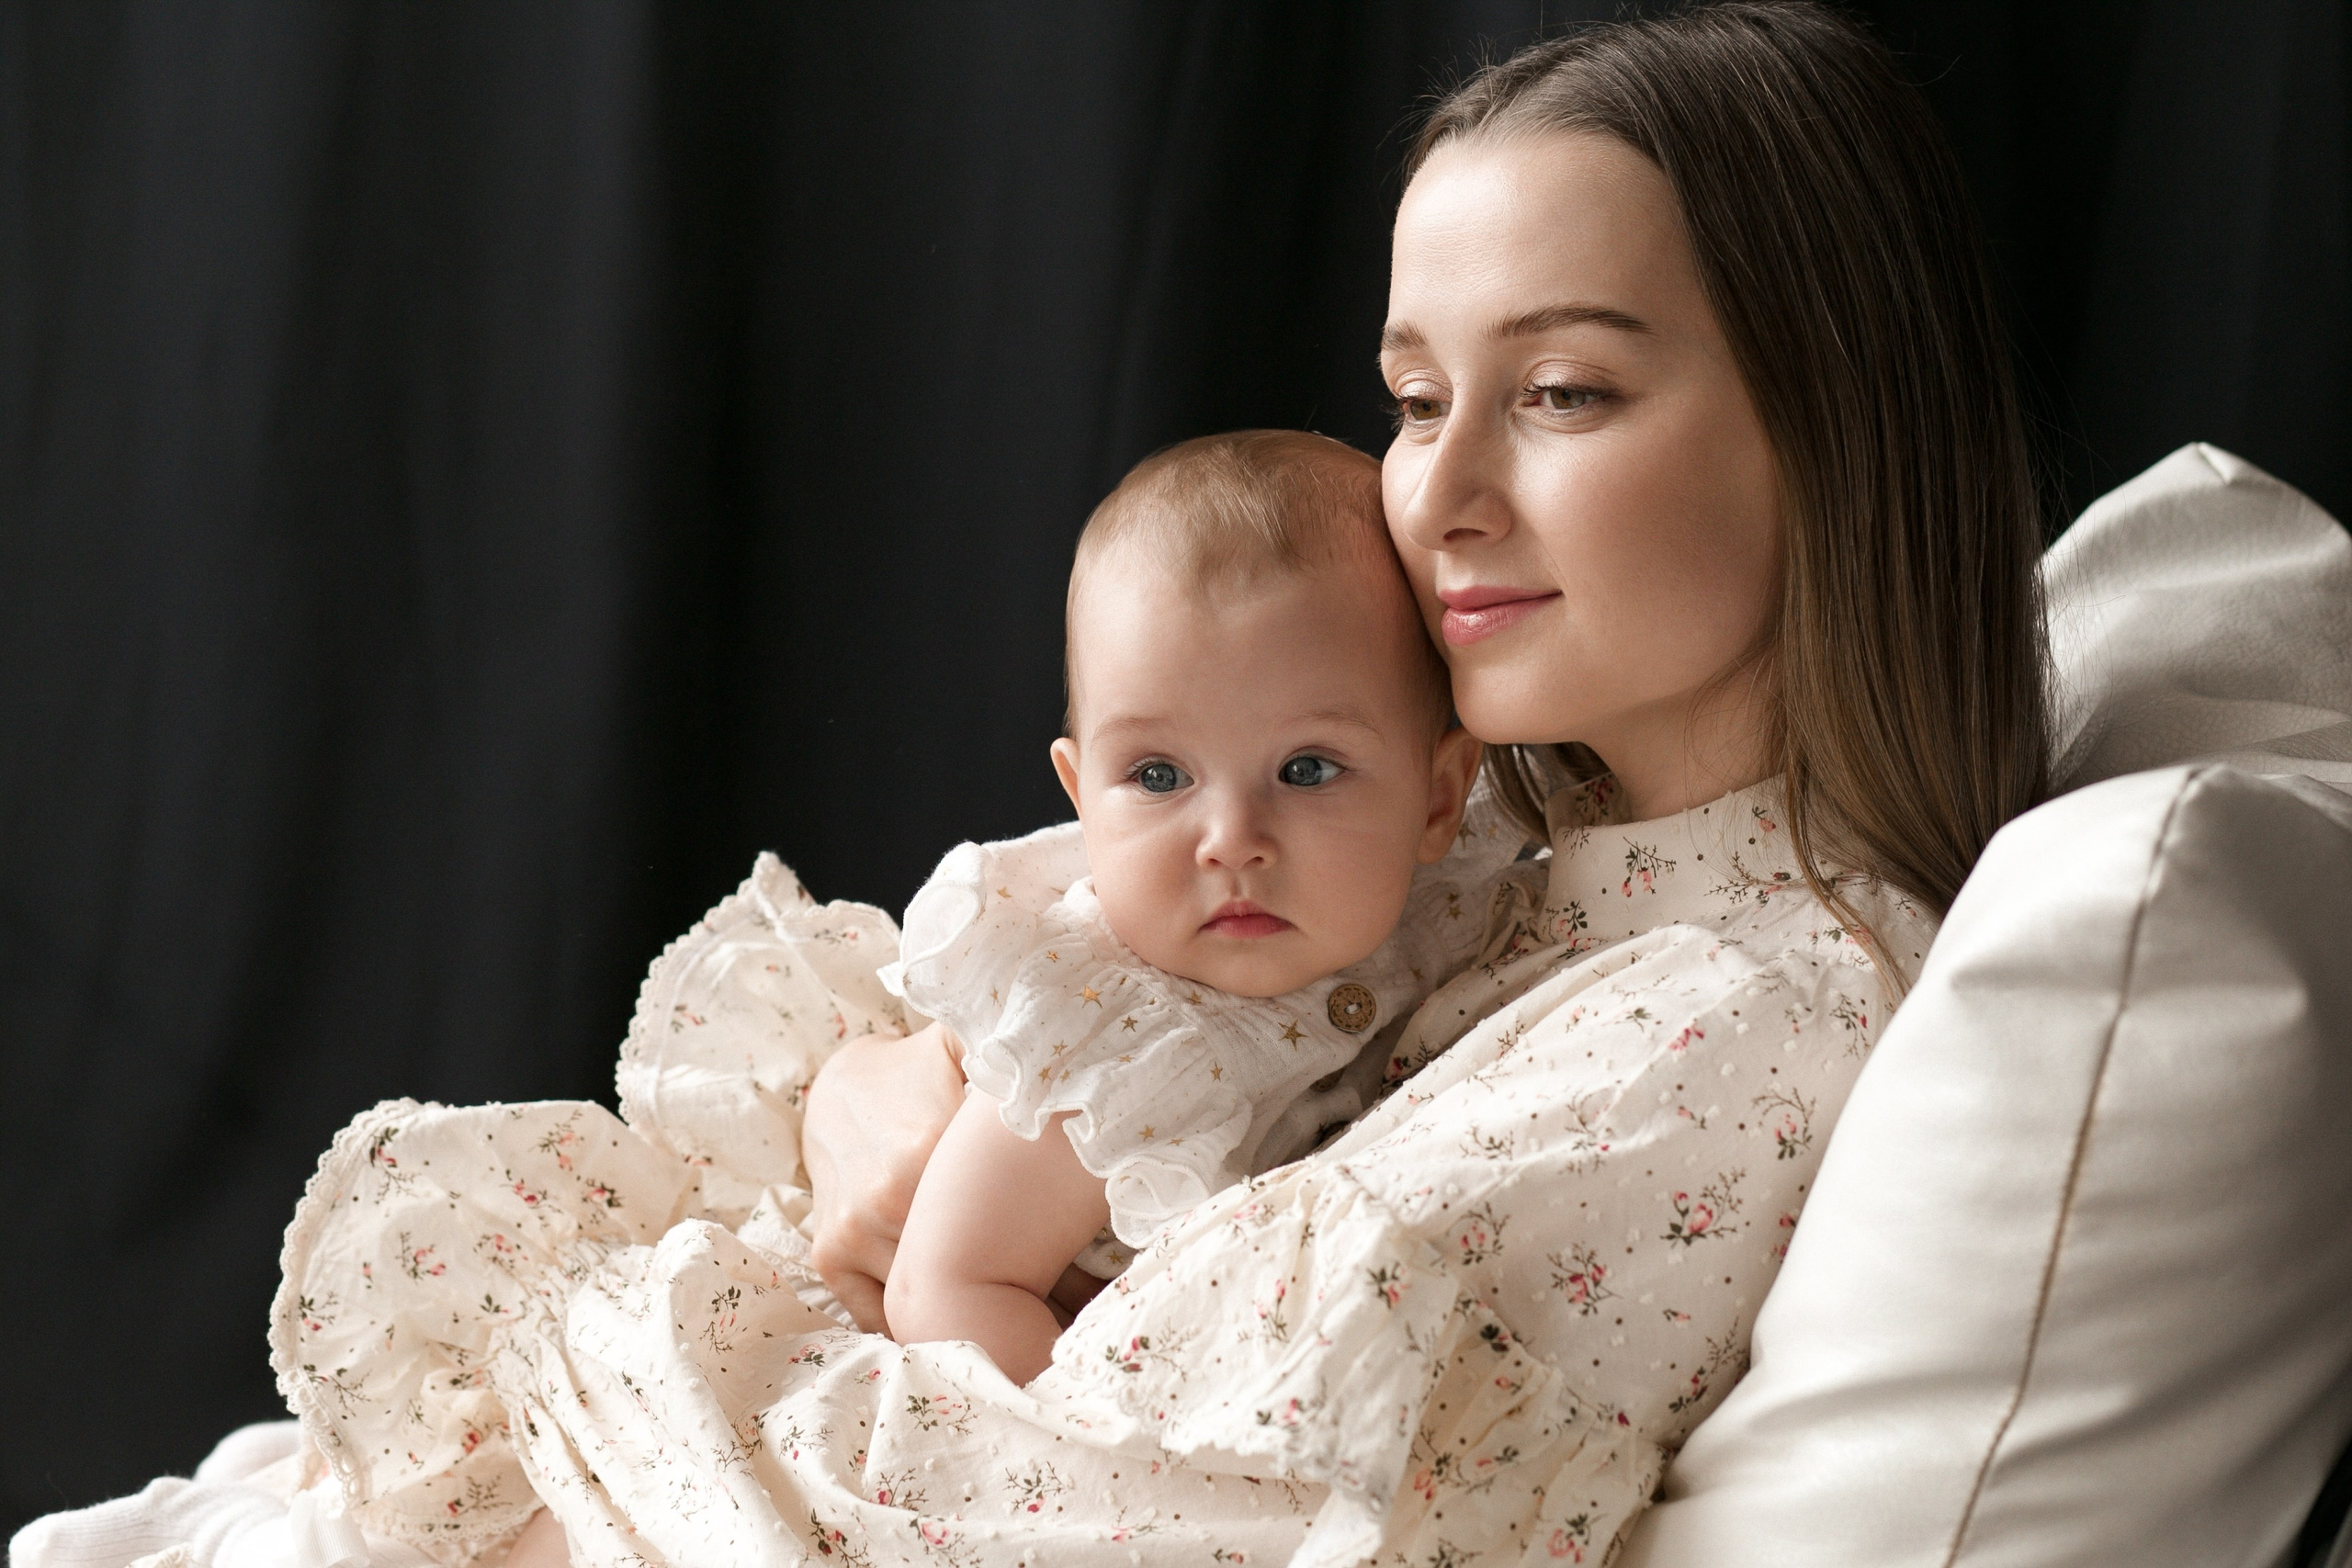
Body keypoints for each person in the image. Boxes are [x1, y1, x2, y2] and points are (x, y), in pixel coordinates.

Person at [17, 6, 2051, 1566]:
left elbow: (1112, 1488)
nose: (1434, 487)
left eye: (1562, 389)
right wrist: (878, 1099)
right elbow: (1001, 1047)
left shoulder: (1725, 1017)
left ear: (1830, 416)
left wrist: (743, 1289)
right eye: (1416, 396)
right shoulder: (1497, 824)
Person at [859, 429, 1493, 1383]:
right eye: (1158, 775)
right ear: (1081, 799)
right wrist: (1112, 1470)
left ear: (1437, 800)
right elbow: (947, 1289)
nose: (1231, 838)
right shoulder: (1105, 1034)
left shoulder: (1455, 909)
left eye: (1306, 769)